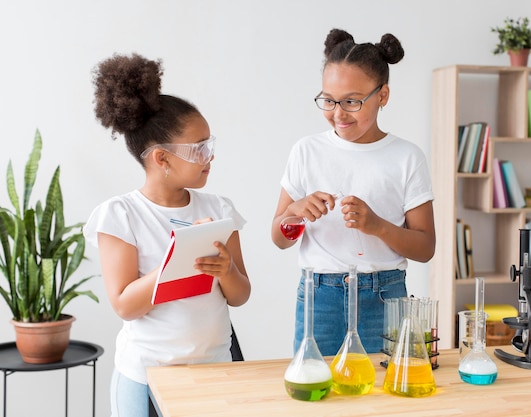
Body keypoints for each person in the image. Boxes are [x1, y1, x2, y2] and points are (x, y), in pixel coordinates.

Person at [84, 53, 251, 417]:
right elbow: (125, 305)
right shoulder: (121, 215)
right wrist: (174, 263)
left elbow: (240, 296)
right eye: (199, 148)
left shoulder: (220, 209)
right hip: (147, 378)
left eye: (210, 144)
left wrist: (226, 272)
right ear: (161, 159)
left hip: (216, 370)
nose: (210, 156)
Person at [271, 28, 435, 356]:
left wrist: (377, 226)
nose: (338, 113)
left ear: (382, 96)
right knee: (316, 389)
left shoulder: (406, 157)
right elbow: (279, 237)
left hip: (385, 296)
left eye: (351, 101)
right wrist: (297, 211)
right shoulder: (306, 151)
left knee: (383, 394)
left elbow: (425, 247)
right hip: (320, 297)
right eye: (328, 100)